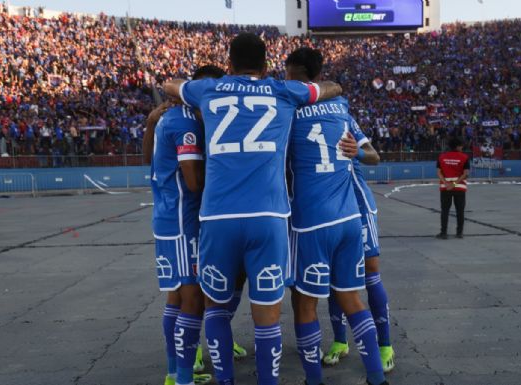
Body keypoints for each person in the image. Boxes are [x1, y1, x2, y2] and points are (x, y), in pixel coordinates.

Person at [163, 33, 342, 385]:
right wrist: (326, 88)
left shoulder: (209, 89)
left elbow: (171, 85)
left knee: (215, 307)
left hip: (217, 217)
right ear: (265, 65)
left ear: (228, 64)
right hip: (270, 216)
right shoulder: (283, 90)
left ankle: (225, 380)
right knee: (268, 315)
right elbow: (328, 88)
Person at [286, 47, 388, 385]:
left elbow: (371, 155)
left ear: (299, 75)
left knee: (305, 304)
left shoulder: (287, 111)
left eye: (289, 74)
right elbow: (370, 152)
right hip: (347, 219)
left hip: (311, 220)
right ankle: (376, 377)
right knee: (351, 298)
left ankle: (313, 380)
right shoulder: (341, 109)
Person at [144, 65, 224, 385]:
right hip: (182, 221)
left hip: (169, 218)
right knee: (191, 300)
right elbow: (193, 182)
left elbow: (148, 158)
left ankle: (176, 372)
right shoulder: (187, 122)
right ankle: (182, 378)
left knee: (177, 299)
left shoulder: (170, 117)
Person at [323, 96, 395, 373]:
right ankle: (340, 341)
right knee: (332, 278)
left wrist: (359, 153)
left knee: (370, 273)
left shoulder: (344, 120)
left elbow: (375, 157)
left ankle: (385, 345)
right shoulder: (298, 117)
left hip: (358, 205)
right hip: (327, 208)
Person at [436, 137, 470, 239]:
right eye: (461, 146)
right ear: (458, 146)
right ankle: (459, 233)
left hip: (445, 188)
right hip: (459, 188)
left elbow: (438, 172)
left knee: (445, 211)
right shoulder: (464, 157)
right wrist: (454, 184)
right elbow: (466, 174)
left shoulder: (441, 157)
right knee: (460, 211)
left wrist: (446, 183)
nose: (462, 148)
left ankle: (443, 233)